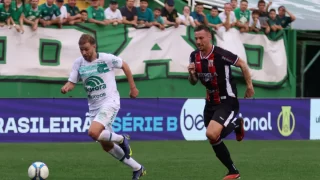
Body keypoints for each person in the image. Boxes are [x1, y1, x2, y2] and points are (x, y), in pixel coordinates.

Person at [61, 34, 146, 180]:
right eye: (81, 50)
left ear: (94, 46)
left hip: (110, 101)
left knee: (93, 133)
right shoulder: (78, 63)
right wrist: (67, 87)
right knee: (106, 145)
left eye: (86, 49)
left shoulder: (106, 59)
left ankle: (121, 139)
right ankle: (137, 168)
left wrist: (133, 88)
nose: (84, 53)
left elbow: (124, 65)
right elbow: (72, 82)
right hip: (94, 107)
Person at [188, 25, 254, 180]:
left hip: (227, 100)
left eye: (201, 38)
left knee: (211, 133)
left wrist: (249, 86)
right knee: (213, 137)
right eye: (196, 38)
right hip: (210, 102)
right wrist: (191, 73)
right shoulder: (194, 56)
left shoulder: (220, 54)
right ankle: (233, 171)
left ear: (209, 37)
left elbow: (242, 64)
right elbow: (193, 82)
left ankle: (236, 125)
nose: (198, 41)